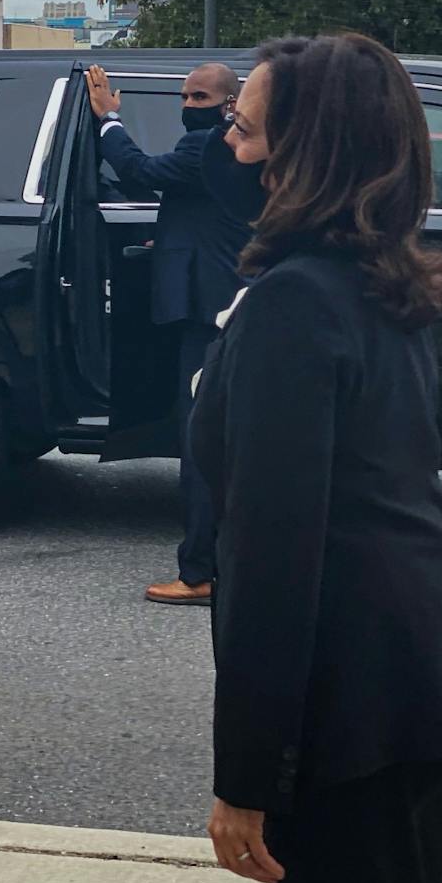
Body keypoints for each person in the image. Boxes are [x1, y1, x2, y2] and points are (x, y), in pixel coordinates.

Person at [193, 35, 442, 883]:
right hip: (412, 663)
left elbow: (273, 555)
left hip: (346, 695)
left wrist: (246, 777)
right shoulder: (378, 274)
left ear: (302, 155)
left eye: (243, 132)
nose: (227, 149)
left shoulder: (295, 302)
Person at [86, 62, 264, 606]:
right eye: (184, 95)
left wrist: (107, 119)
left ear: (230, 103)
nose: (188, 104)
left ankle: (199, 572)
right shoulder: (238, 149)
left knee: (200, 444)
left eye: (200, 95)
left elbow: (138, 170)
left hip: (205, 311)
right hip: (228, 301)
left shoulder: (207, 147)